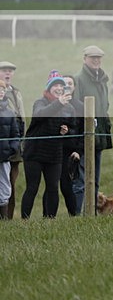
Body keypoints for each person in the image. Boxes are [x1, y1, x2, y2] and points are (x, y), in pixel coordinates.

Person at [21, 72, 78, 219]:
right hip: (34, 152)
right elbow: (41, 115)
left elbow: (73, 127)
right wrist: (59, 102)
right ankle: (24, 220)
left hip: (54, 152)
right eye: (55, 85)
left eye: (61, 85)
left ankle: (49, 220)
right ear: (48, 89)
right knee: (32, 187)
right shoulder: (40, 102)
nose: (59, 88)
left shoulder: (69, 108)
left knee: (53, 188)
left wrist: (67, 130)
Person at [73, 45, 112, 214]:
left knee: (95, 179)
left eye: (98, 58)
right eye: (92, 58)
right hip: (84, 135)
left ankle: (92, 213)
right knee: (81, 179)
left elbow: (105, 106)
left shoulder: (102, 80)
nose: (96, 61)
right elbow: (76, 108)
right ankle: (78, 214)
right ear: (85, 59)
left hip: (100, 134)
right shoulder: (79, 79)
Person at [47, 74, 83, 217]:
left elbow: (79, 129)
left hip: (69, 149)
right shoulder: (54, 104)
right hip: (53, 148)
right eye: (64, 84)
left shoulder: (77, 106)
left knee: (67, 184)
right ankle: (48, 216)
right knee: (51, 185)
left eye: (69, 84)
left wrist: (77, 149)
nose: (66, 87)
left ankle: (73, 214)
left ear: (74, 87)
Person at [0, 61, 24, 219]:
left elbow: (21, 118)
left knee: (10, 185)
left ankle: (7, 218)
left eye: (10, 71)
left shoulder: (16, 92)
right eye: (4, 71)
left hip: (11, 147)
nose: (8, 73)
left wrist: (17, 145)